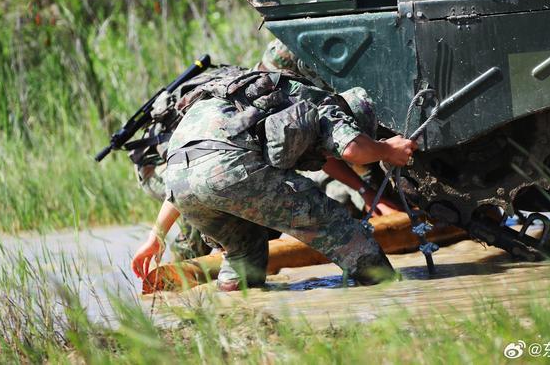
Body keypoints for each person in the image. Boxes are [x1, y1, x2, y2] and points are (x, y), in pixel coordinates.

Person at [131, 66, 417, 291]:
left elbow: (189, 176)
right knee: (339, 229)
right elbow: (353, 148)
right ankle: (388, 290)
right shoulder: (328, 104)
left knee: (245, 250)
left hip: (178, 174)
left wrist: (155, 236)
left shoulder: (253, 93)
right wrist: (386, 150)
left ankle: (233, 308)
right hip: (230, 168)